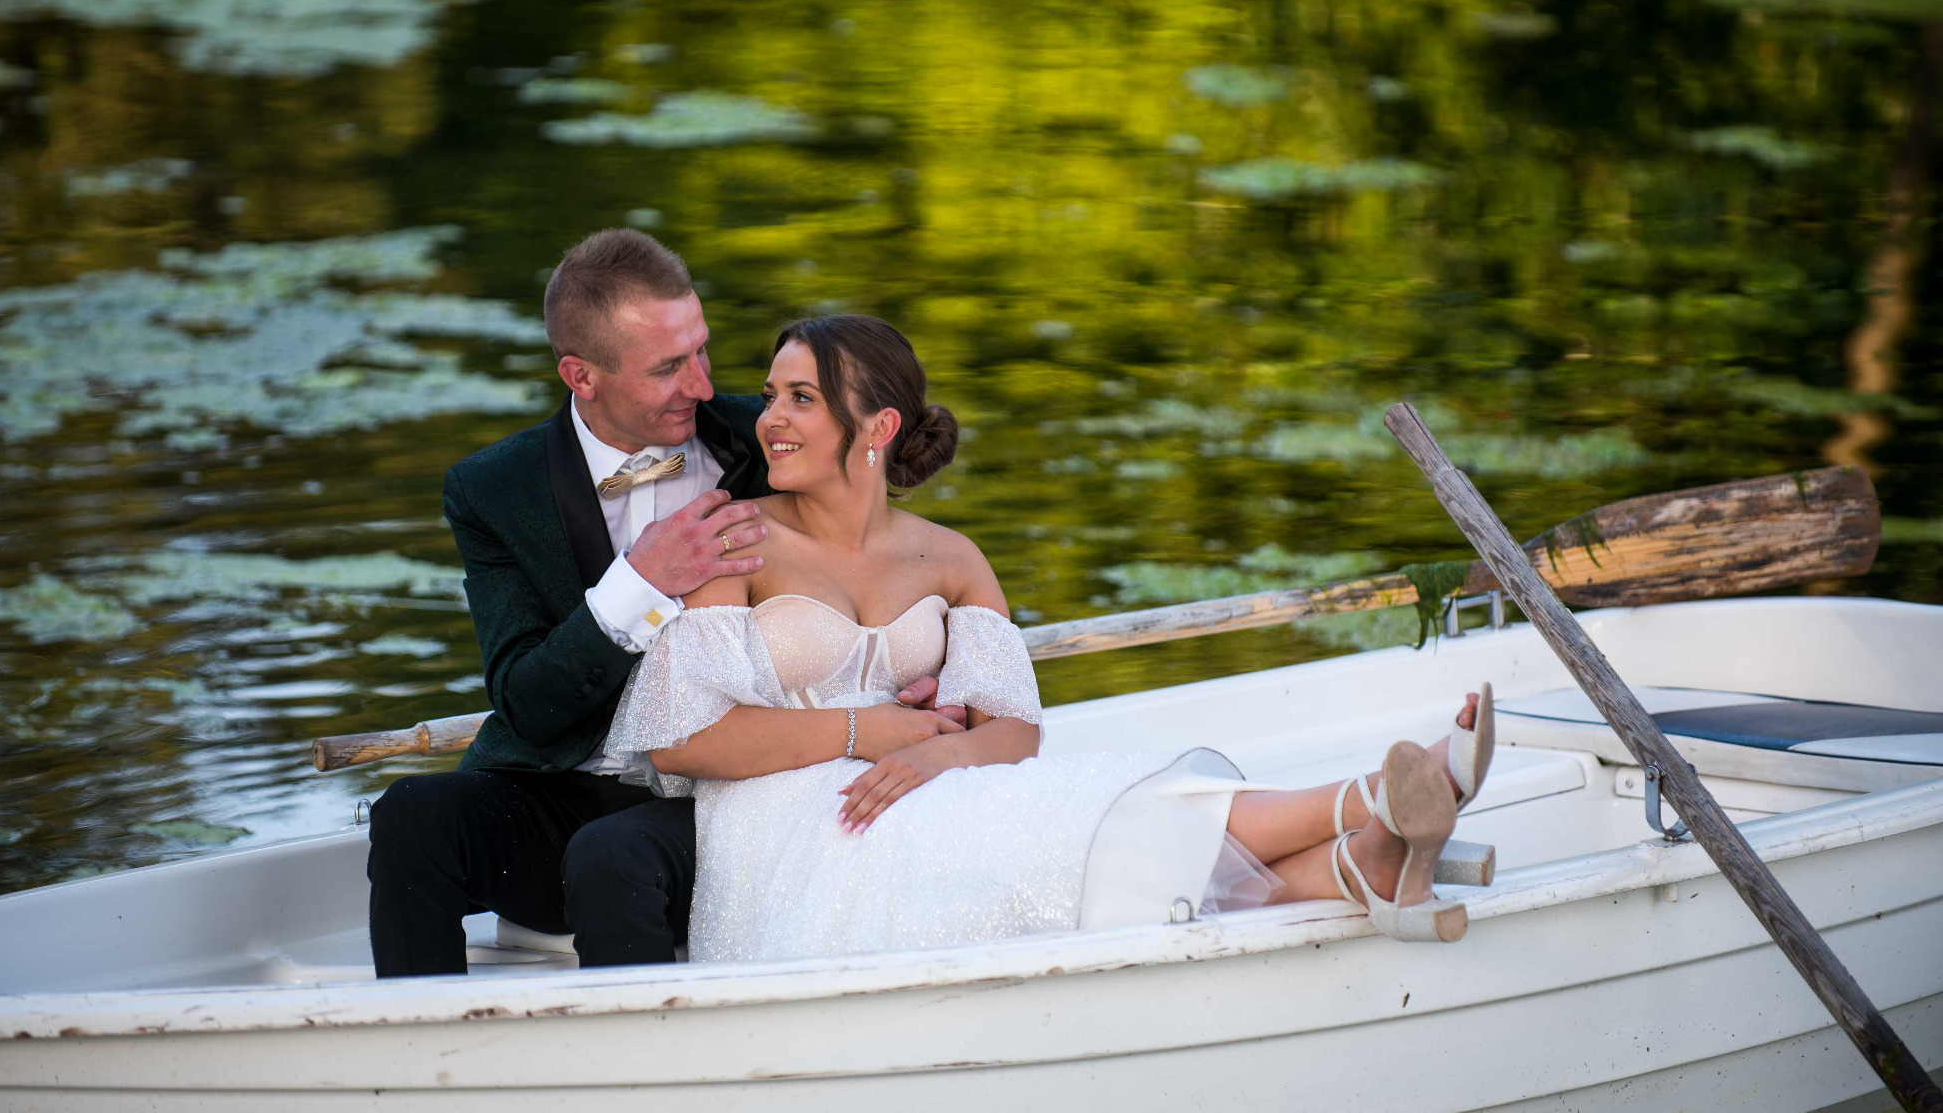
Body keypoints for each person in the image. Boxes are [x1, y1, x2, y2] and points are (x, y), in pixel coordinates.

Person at [602, 314, 1497, 962]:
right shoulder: (738, 541)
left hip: (917, 787)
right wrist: (863, 735)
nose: (770, 420)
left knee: (1059, 799)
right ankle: (1377, 795)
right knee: (1040, 821)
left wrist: (935, 761)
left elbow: (1015, 731)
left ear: (875, 428)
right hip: (794, 816)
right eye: (771, 396)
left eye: (802, 398)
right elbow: (682, 736)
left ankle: (1361, 860)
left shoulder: (951, 559)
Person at [365, 231, 958, 977]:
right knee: (410, 818)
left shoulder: (775, 435)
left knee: (615, 858)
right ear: (581, 375)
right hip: (566, 784)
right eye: (669, 367)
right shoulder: (493, 489)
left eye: (702, 350)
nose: (704, 385)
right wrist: (637, 583)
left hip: (737, 788)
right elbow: (525, 702)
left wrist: (921, 670)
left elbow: (895, 556)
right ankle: (422, 1060)